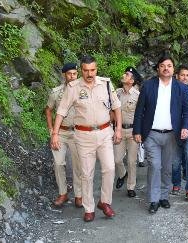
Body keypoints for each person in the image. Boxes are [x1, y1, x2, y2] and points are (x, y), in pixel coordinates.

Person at [51, 55, 122, 222]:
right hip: (83, 136)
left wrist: (118, 128)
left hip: (105, 133)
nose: (89, 74)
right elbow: (61, 111)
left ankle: (105, 202)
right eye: (86, 70)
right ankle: (89, 208)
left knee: (110, 169)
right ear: (81, 70)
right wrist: (55, 133)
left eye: (93, 70)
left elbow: (117, 106)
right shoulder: (74, 87)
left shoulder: (105, 84)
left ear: (96, 69)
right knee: (87, 174)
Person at [133, 53, 188, 214]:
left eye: (169, 66)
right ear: (158, 68)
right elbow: (140, 110)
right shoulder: (148, 86)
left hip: (172, 134)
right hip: (151, 133)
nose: (166, 68)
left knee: (167, 167)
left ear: (173, 69)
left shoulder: (181, 87)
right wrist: (137, 130)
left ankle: (164, 196)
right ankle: (153, 199)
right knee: (154, 165)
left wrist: (186, 127)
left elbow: (187, 110)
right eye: (163, 66)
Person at [45, 63, 82, 208]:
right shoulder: (56, 92)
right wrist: (51, 131)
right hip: (60, 132)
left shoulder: (83, 90)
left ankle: (79, 195)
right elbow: (48, 110)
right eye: (69, 74)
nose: (72, 76)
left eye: (74, 73)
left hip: (78, 132)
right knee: (59, 163)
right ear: (64, 75)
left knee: (78, 165)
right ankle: (63, 193)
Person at [171, 65, 188, 200]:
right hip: (174, 132)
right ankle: (176, 184)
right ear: (177, 76)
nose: (185, 78)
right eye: (182, 75)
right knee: (175, 162)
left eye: (187, 75)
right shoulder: (170, 89)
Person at [114, 67, 142, 198]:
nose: (123, 75)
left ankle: (131, 186)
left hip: (132, 132)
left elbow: (141, 115)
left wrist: (139, 132)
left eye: (127, 74)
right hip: (119, 130)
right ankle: (122, 174)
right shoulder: (116, 93)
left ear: (132, 80)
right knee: (117, 159)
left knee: (131, 161)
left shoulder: (138, 95)